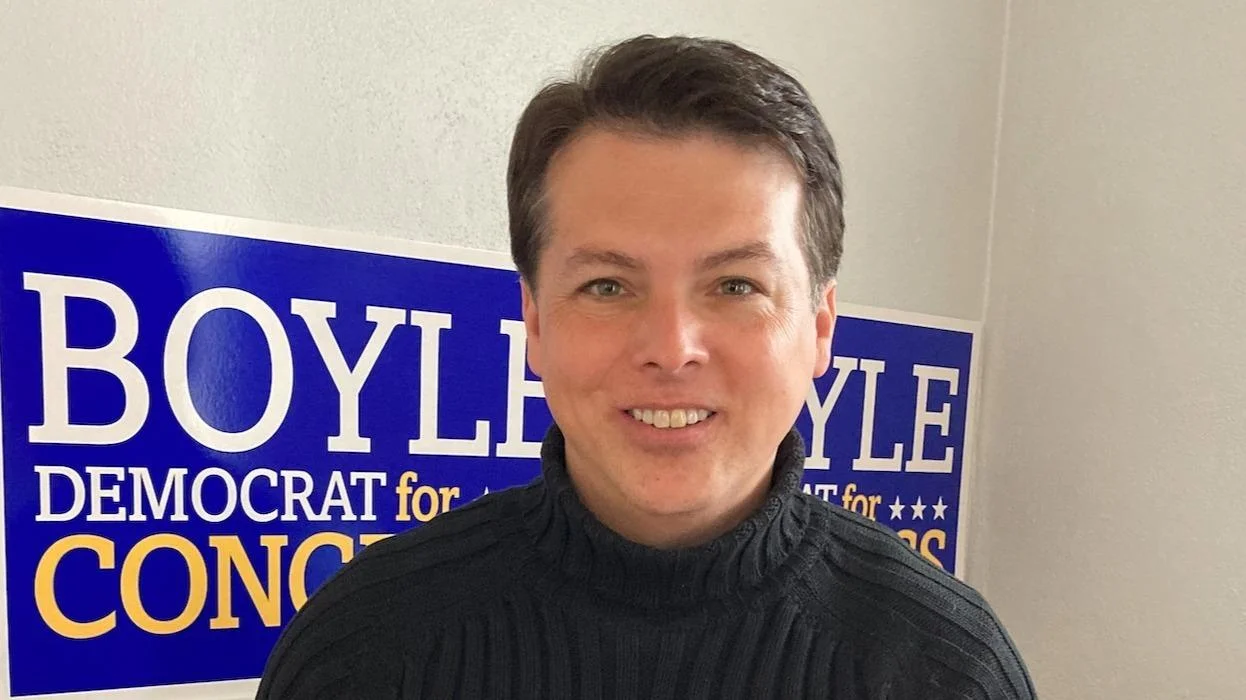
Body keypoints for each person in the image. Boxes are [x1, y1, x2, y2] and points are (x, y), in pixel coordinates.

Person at [257, 34, 1035, 699]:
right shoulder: (359, 656)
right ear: (535, 322)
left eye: (736, 286)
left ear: (820, 327)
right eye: (607, 286)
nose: (671, 345)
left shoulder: (950, 671)